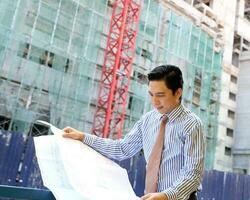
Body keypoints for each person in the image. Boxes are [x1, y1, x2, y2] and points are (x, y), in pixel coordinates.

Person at [63, 65, 205, 200]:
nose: (154, 102)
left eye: (160, 95)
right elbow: (122, 149)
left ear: (178, 93)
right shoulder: (148, 120)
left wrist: (166, 196)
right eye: (151, 95)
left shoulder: (191, 124)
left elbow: (193, 174)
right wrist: (83, 137)